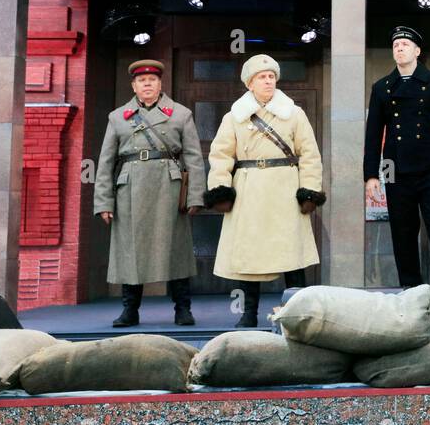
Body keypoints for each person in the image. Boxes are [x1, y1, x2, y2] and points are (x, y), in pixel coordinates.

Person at [204, 53, 324, 327]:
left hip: (285, 188)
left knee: (292, 253)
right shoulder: (234, 116)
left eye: (271, 76)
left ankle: (297, 315)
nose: (268, 81)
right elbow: (221, 154)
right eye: (262, 77)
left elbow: (310, 155)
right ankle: (248, 314)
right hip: (249, 190)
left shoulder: (294, 113)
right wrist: (220, 188)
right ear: (250, 83)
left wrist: (309, 190)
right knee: (249, 254)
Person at [93, 60, 207, 327]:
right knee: (130, 251)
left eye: (152, 80)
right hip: (130, 188)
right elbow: (106, 163)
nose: (147, 85)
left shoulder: (180, 114)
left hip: (169, 187)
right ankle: (130, 310)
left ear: (160, 84)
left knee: (176, 249)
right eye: (142, 81)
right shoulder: (117, 117)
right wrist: (103, 202)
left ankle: (183, 309)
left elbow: (194, 159)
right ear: (133, 86)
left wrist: (195, 196)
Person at [363, 26, 430, 307]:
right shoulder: (382, 87)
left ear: (417, 51)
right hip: (395, 170)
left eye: (405, 44)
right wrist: (371, 175)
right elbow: (373, 135)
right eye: (396, 45)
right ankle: (413, 298)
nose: (400, 48)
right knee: (402, 235)